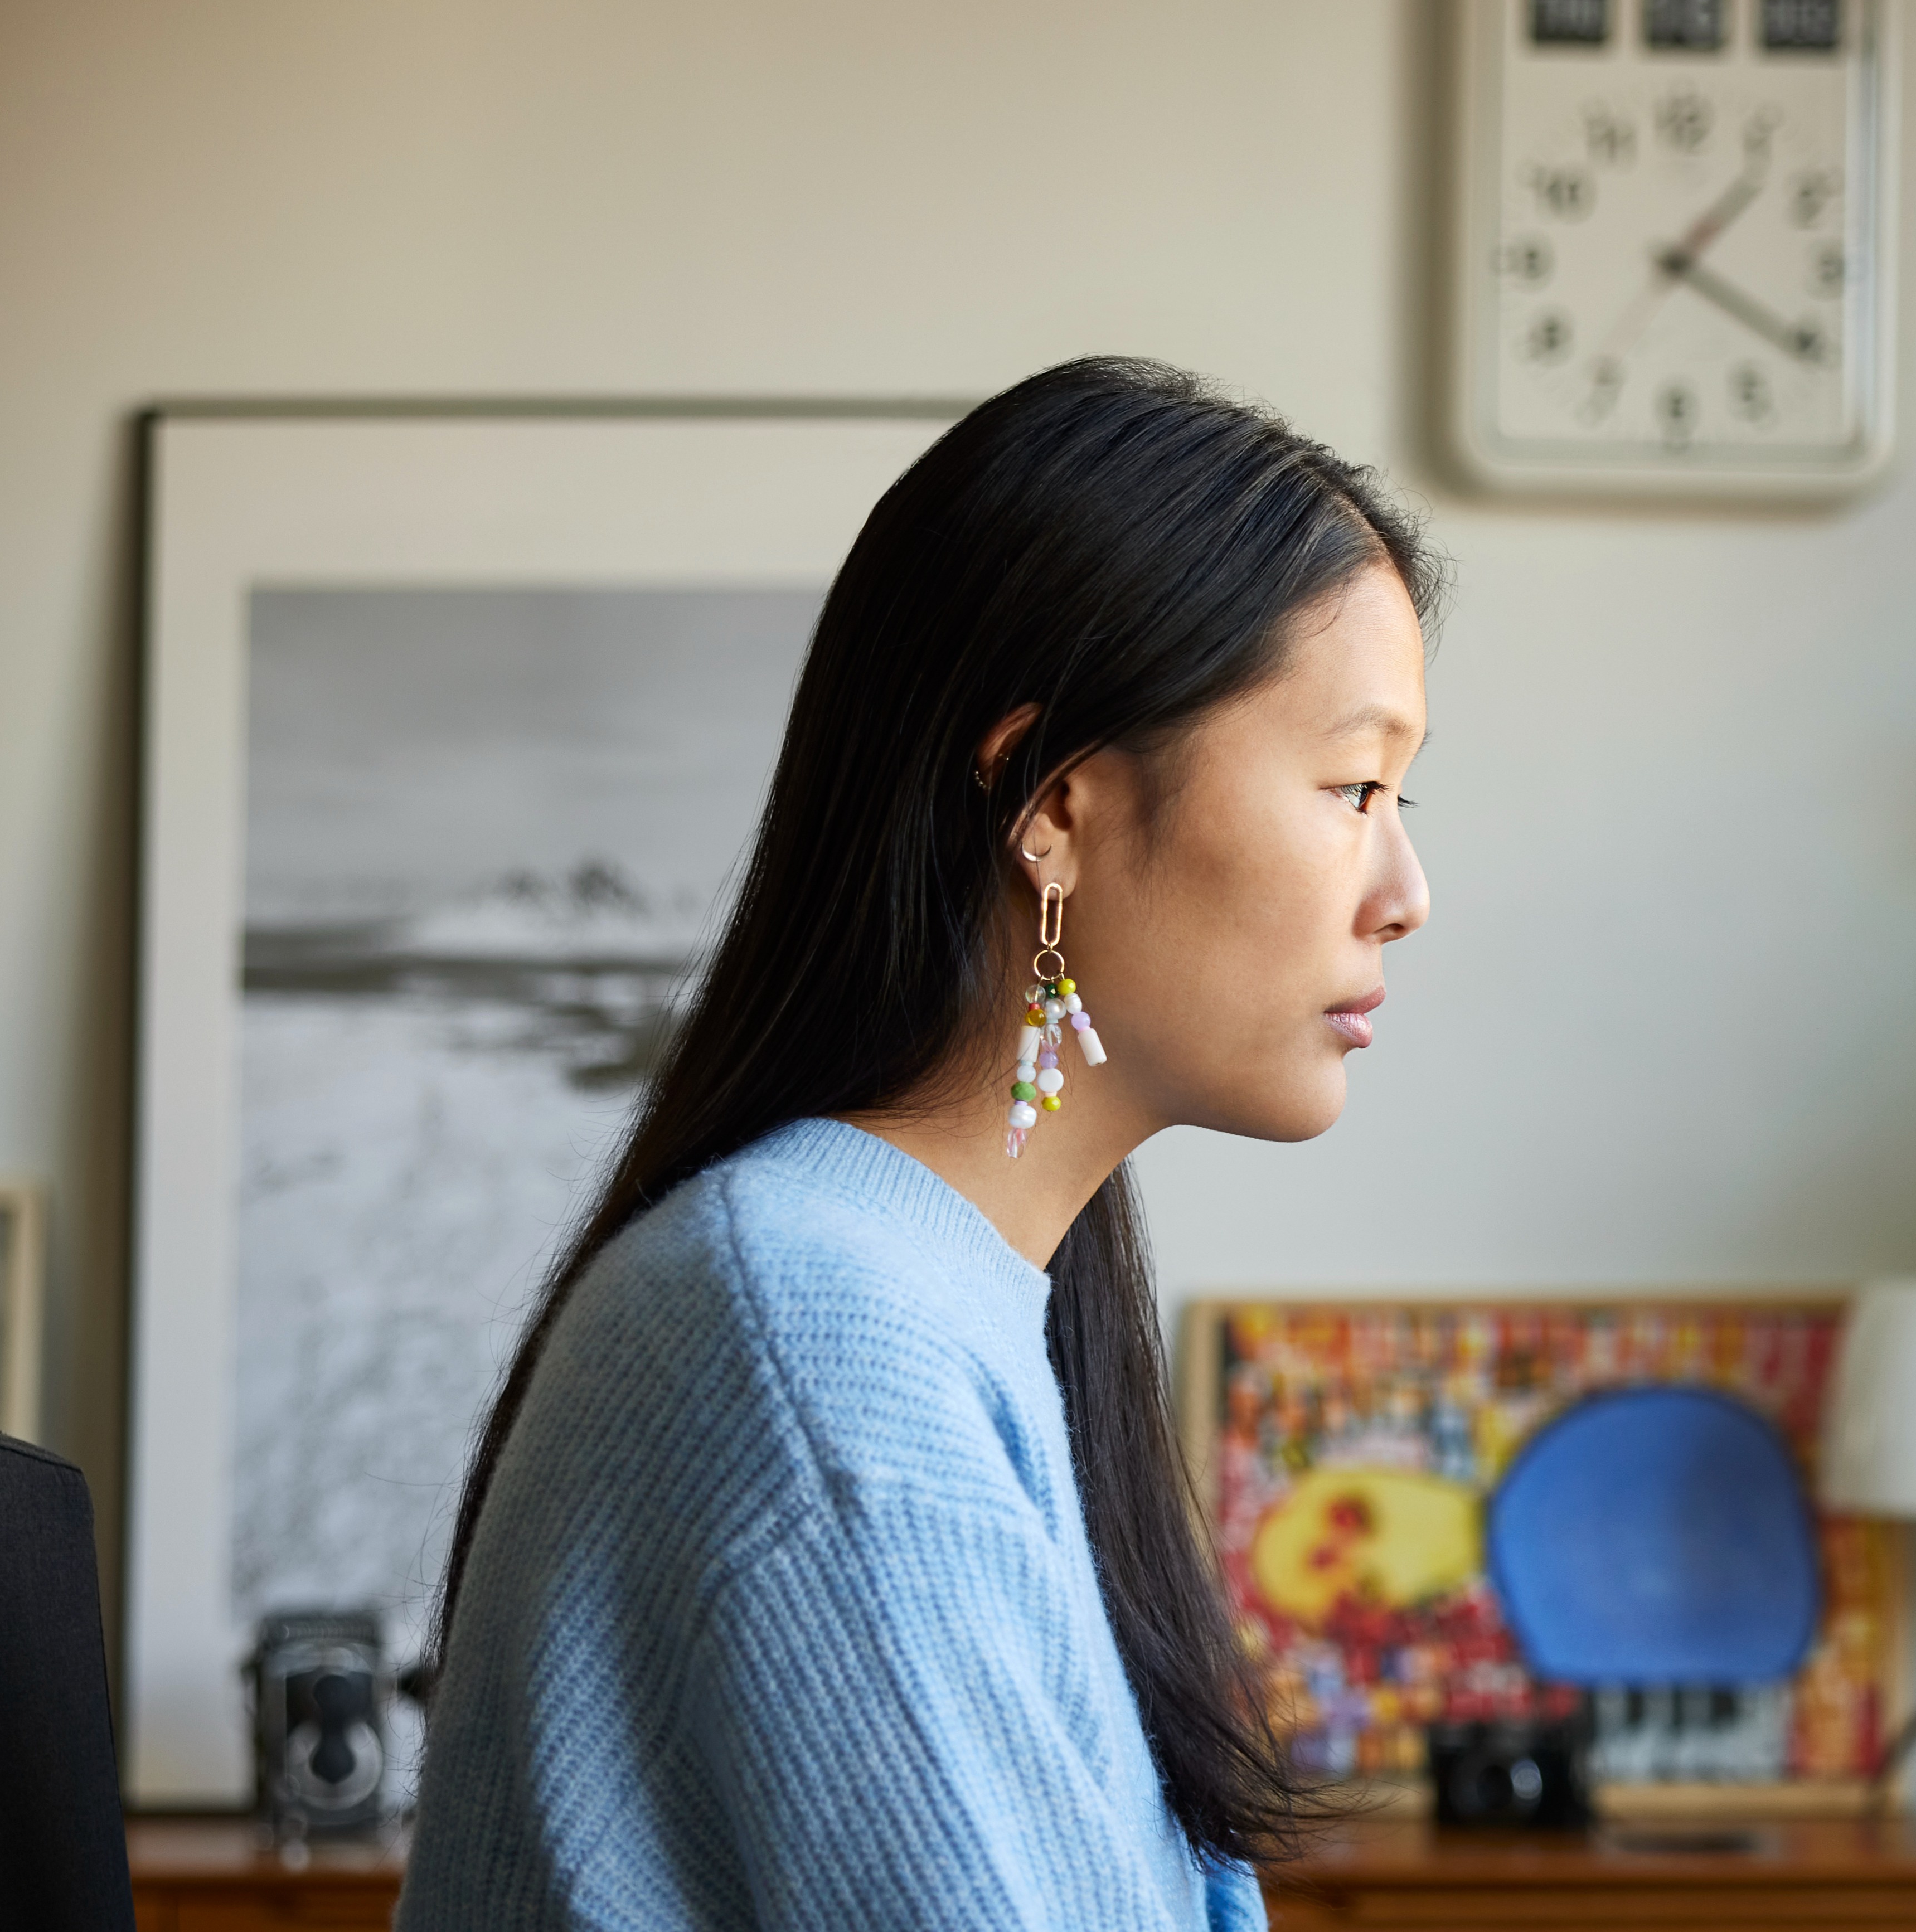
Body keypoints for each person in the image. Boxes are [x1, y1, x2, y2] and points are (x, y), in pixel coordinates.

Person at [400, 358, 1434, 1929]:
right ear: (1057, 802)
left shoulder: (959, 1300)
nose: (1404, 888)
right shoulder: (814, 1338)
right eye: (1354, 785)